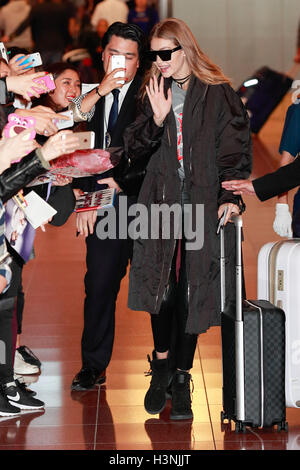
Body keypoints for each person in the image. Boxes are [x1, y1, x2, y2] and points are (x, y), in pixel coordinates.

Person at [123, 18, 252, 420]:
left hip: (200, 202)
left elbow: (233, 151)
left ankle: (182, 377)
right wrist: (158, 119)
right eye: (154, 55)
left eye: (166, 53)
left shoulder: (217, 93)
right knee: (159, 287)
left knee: (191, 290)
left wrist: (230, 197)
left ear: (185, 50)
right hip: (158, 202)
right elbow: (132, 152)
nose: (159, 62)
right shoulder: (150, 91)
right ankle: (160, 365)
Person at [70, 21, 147, 391]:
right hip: (103, 208)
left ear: (138, 62)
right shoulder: (90, 95)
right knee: (99, 284)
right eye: (114, 53)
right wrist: (84, 197)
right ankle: (93, 365)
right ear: (102, 55)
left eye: (129, 57)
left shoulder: (151, 95)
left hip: (147, 206)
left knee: (158, 291)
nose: (121, 62)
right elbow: (70, 130)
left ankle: (168, 367)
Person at [9, 62, 83, 376]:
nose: (73, 90)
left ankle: (10, 352)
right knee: (9, 286)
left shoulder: (61, 120)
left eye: (78, 84)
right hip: (11, 212)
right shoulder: (37, 117)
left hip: (20, 216)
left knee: (13, 286)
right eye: (65, 82)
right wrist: (47, 170)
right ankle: (8, 359)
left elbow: (80, 113)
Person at [3, 0, 76, 66]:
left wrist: (11, 36)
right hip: (58, 45)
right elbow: (65, 29)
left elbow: (25, 24)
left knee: (39, 71)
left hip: (41, 46)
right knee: (56, 71)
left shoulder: (37, 8)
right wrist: (68, 43)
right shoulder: (61, 8)